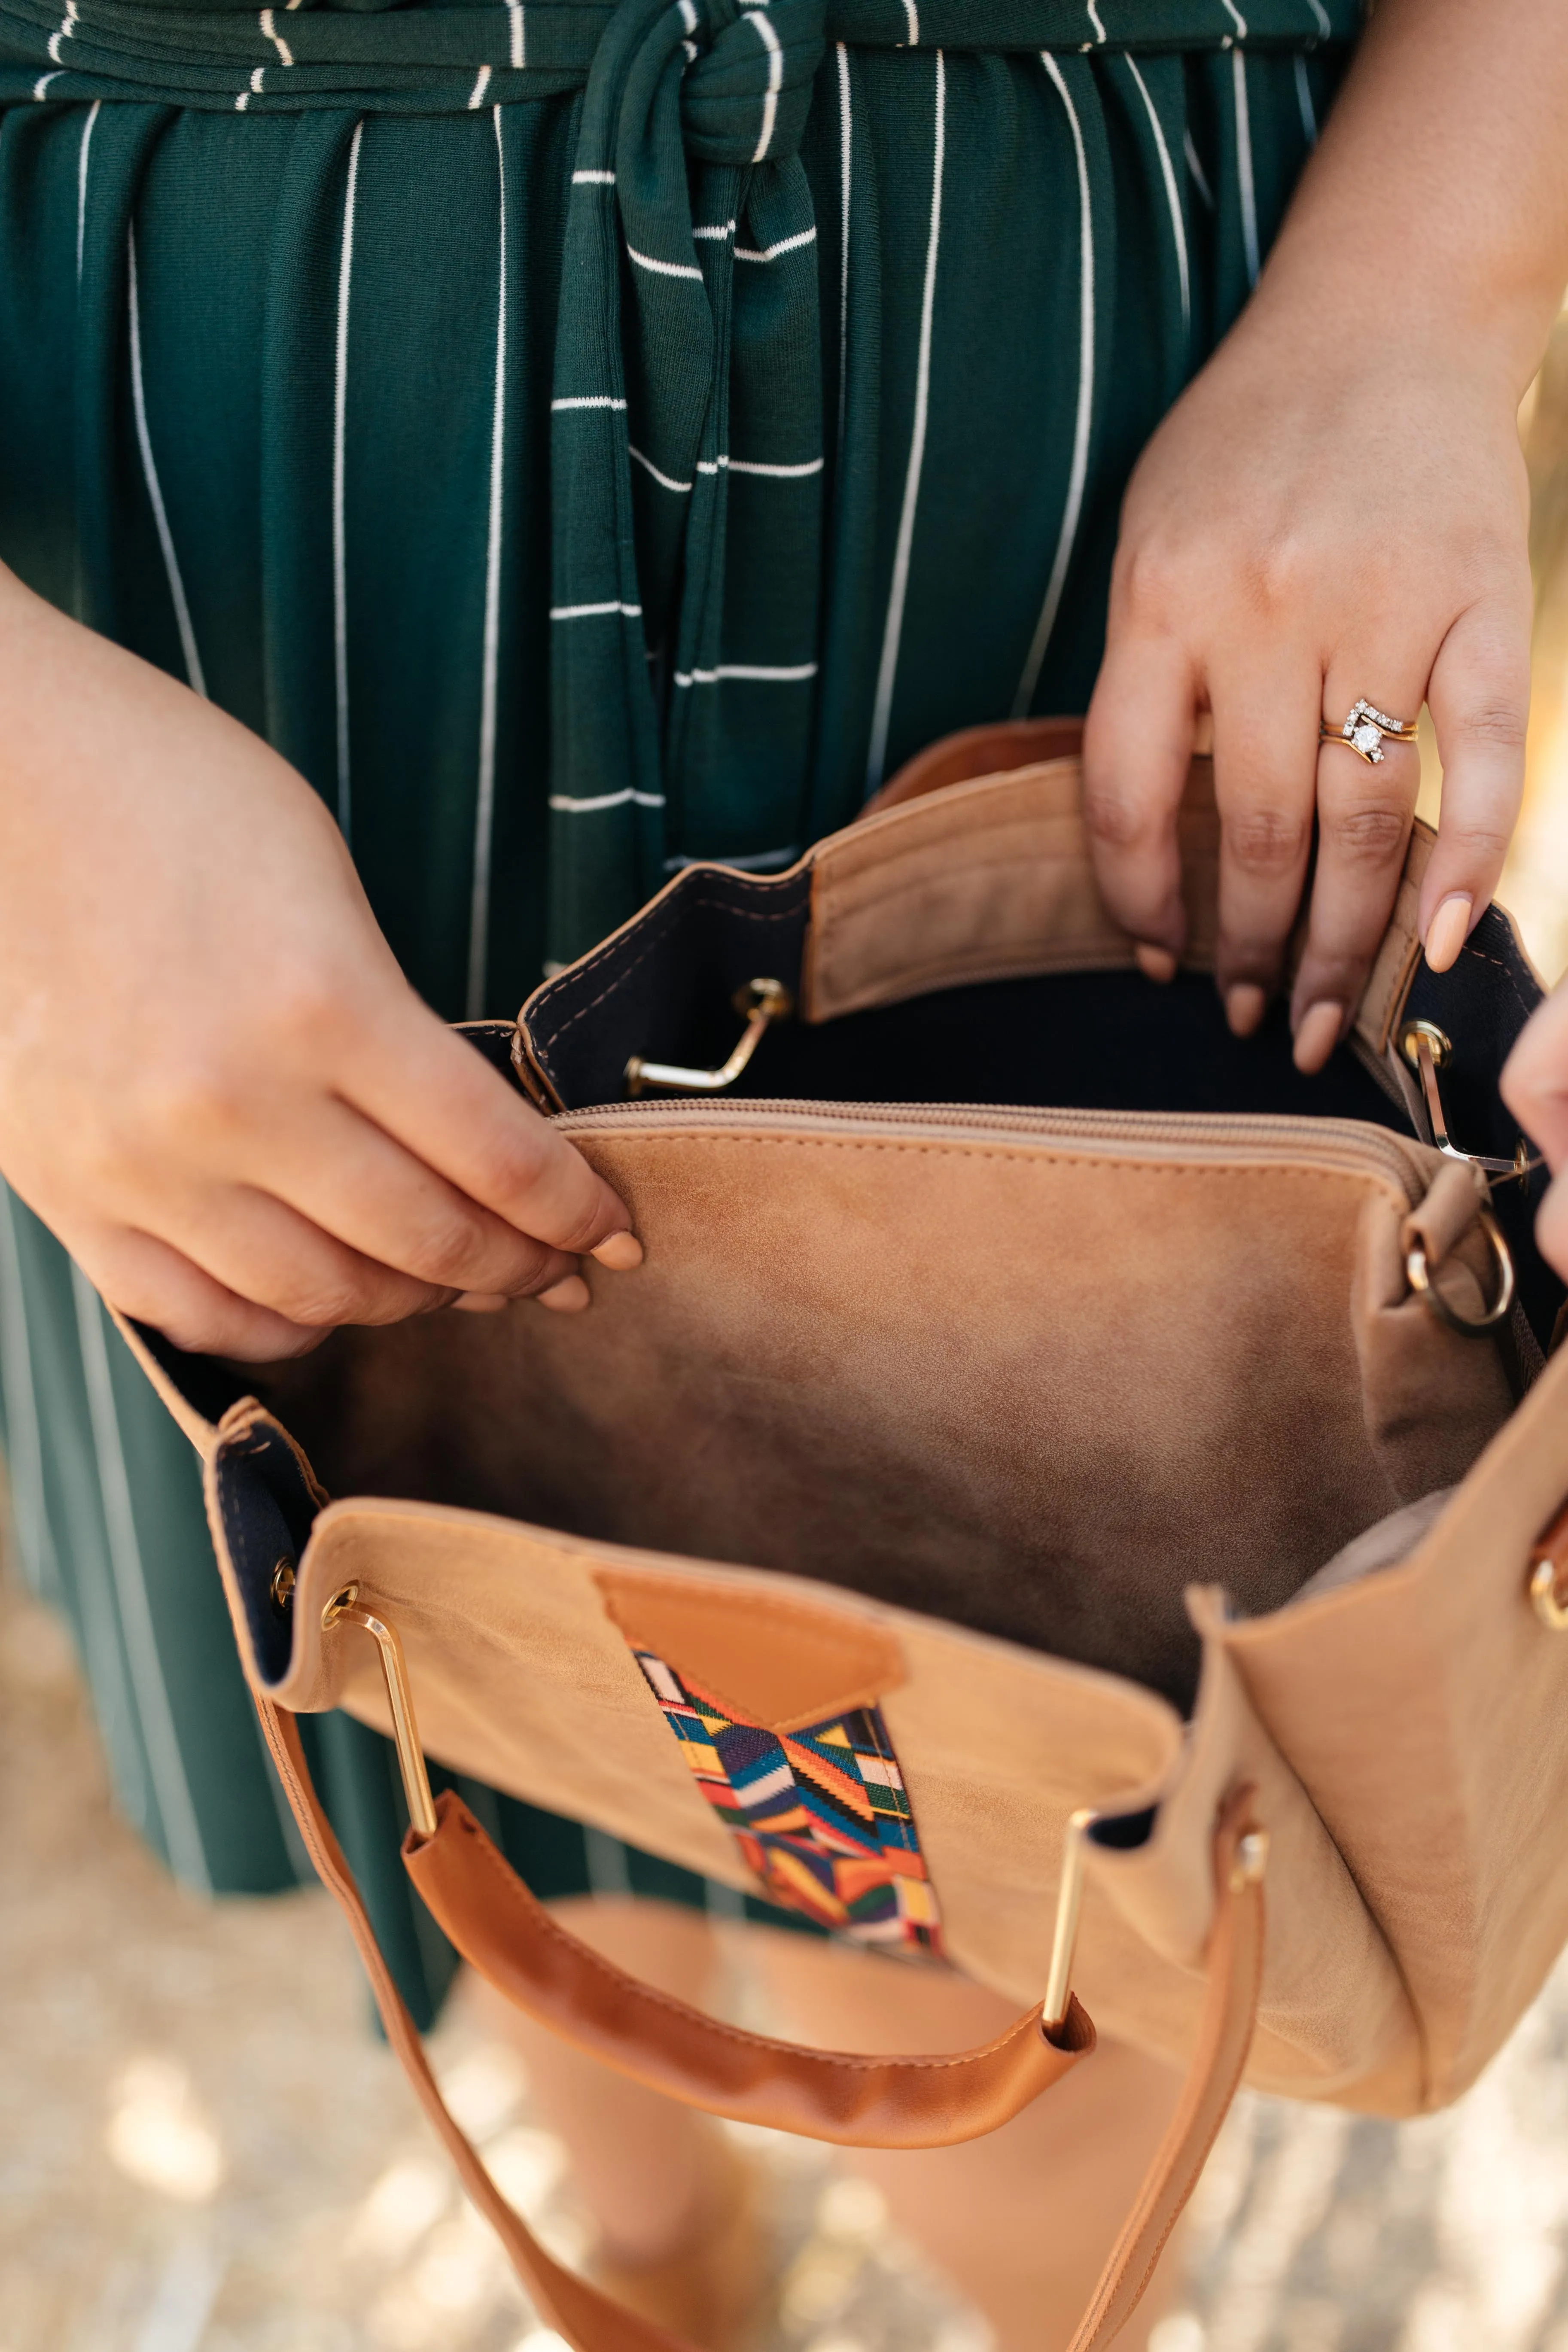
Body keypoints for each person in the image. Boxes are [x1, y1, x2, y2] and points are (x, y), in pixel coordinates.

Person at [3, 0, 1568, 2344]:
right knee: (464, 1637)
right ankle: (654, 2263)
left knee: (1101, 1834)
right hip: (223, 541)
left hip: (1107, 417)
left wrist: (1423, 295)